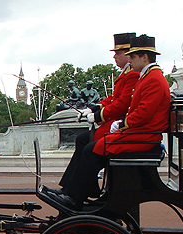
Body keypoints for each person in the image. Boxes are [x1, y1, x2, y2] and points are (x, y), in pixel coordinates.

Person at [42, 34, 170, 210]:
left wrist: (121, 123)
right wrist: (99, 110)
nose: (130, 60)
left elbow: (142, 113)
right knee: (88, 146)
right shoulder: (148, 76)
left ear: (144, 57)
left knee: (90, 149)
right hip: (138, 132)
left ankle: (74, 197)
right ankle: (73, 191)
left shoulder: (153, 78)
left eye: (133, 56)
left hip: (142, 135)